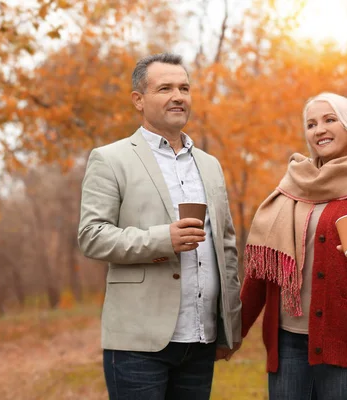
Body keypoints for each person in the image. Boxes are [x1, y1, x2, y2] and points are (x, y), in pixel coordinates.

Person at [78, 52, 242, 400]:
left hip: (201, 339)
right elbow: (92, 237)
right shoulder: (110, 159)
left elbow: (225, 246)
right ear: (138, 100)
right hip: (138, 341)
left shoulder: (210, 165)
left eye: (184, 88)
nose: (178, 96)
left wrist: (230, 328)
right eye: (164, 88)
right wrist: (162, 238)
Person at [240, 92, 347, 400]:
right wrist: (233, 332)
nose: (319, 129)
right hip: (288, 341)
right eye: (311, 124)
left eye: (329, 120)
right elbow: (264, 269)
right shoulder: (295, 183)